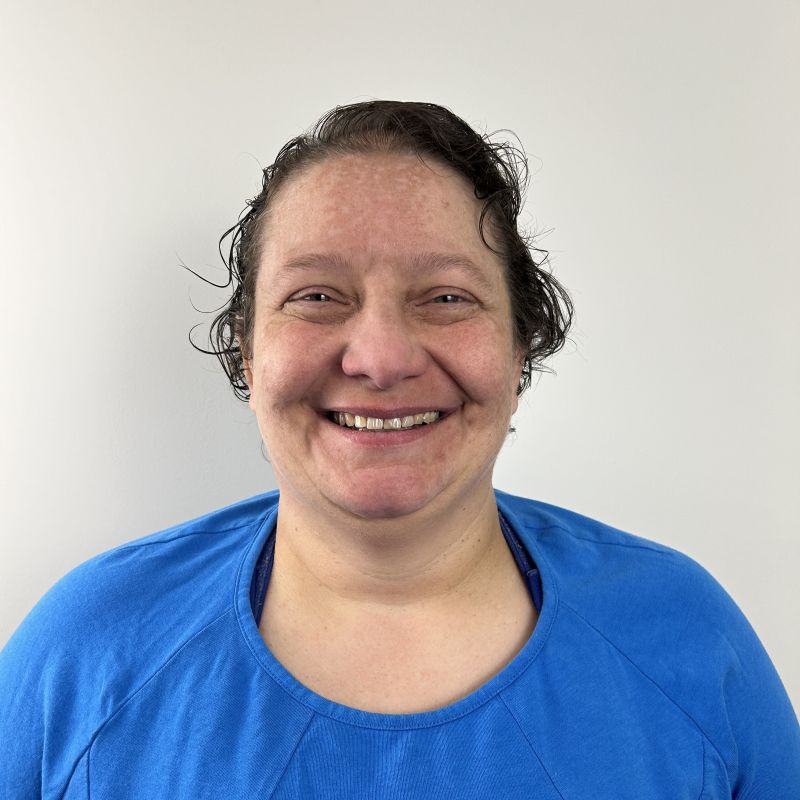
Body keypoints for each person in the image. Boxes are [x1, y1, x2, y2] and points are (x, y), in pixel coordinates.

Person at [1, 100, 798, 799]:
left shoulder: (686, 638)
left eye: (446, 297)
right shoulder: (88, 652)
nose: (381, 359)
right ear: (247, 350)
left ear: (518, 348)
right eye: (317, 296)